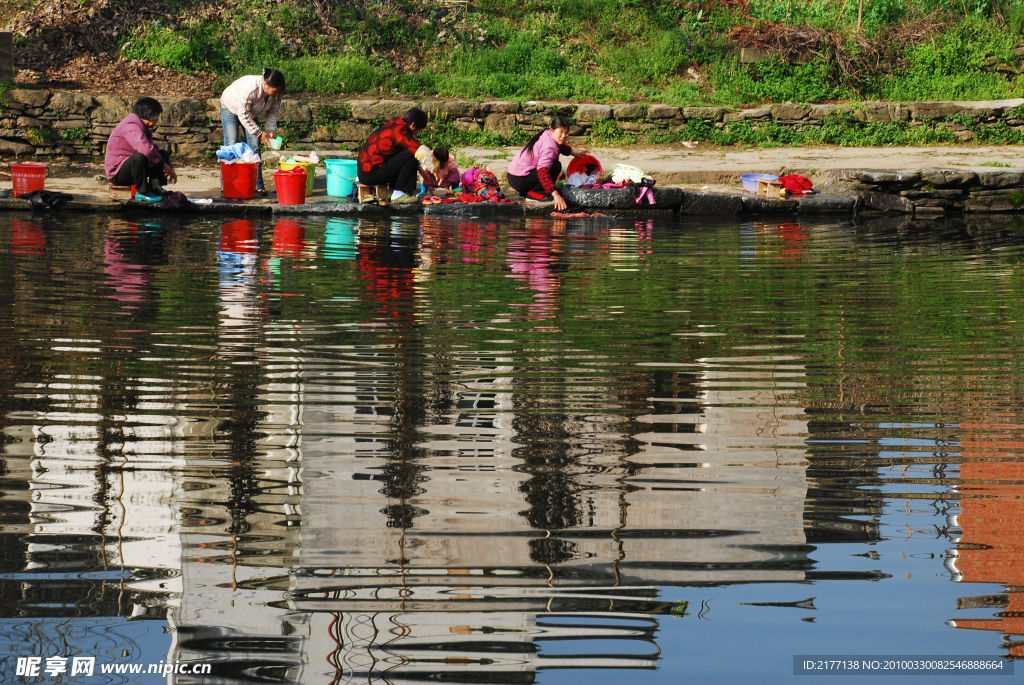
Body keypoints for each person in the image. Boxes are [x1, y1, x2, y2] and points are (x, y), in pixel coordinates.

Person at [220, 68, 285, 196]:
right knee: (231, 143)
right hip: (230, 107)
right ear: (266, 84)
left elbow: (273, 111)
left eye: (279, 92)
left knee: (254, 146)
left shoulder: (276, 93)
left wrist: (270, 131)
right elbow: (242, 114)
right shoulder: (250, 89)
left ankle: (258, 185)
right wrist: (260, 133)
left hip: (250, 111)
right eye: (275, 91)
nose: (277, 95)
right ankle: (227, 185)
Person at [506, 116, 588, 211]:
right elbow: (542, 172)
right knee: (556, 166)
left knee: (554, 165)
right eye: (561, 132)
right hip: (519, 180)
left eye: (566, 132)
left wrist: (574, 154)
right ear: (552, 129)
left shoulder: (547, 134)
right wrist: (555, 194)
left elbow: (561, 146)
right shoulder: (549, 148)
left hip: (514, 176)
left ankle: (531, 191)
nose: (564, 136)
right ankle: (535, 194)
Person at [105, 97, 177, 203]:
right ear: (149, 115)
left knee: (162, 154)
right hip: (118, 173)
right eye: (157, 116)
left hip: (134, 169)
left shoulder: (142, 126)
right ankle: (142, 192)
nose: (157, 119)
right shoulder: (131, 126)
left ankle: (156, 187)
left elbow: (153, 149)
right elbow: (146, 150)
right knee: (140, 157)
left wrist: (170, 167)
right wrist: (164, 165)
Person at [358, 107, 428, 204]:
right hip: (370, 174)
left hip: (364, 172)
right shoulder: (401, 130)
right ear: (413, 125)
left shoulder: (395, 123)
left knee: (406, 153)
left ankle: (392, 191)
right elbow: (418, 150)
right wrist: (436, 168)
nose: (417, 133)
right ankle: (399, 194)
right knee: (410, 154)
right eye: (419, 130)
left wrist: (422, 172)